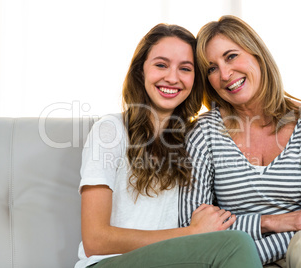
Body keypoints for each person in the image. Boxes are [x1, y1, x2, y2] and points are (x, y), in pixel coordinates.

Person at [180, 15, 301, 268]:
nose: (225, 74)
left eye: (231, 56)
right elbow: (192, 226)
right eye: (211, 68)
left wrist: (241, 255)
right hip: (245, 260)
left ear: (257, 55)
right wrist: (269, 221)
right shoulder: (204, 133)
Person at [75, 23, 262, 268]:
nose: (172, 78)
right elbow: (95, 240)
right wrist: (191, 233)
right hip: (109, 263)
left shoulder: (196, 139)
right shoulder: (111, 130)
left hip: (176, 261)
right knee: (235, 244)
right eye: (161, 65)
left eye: (185, 68)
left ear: (196, 80)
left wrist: (276, 221)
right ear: (141, 71)